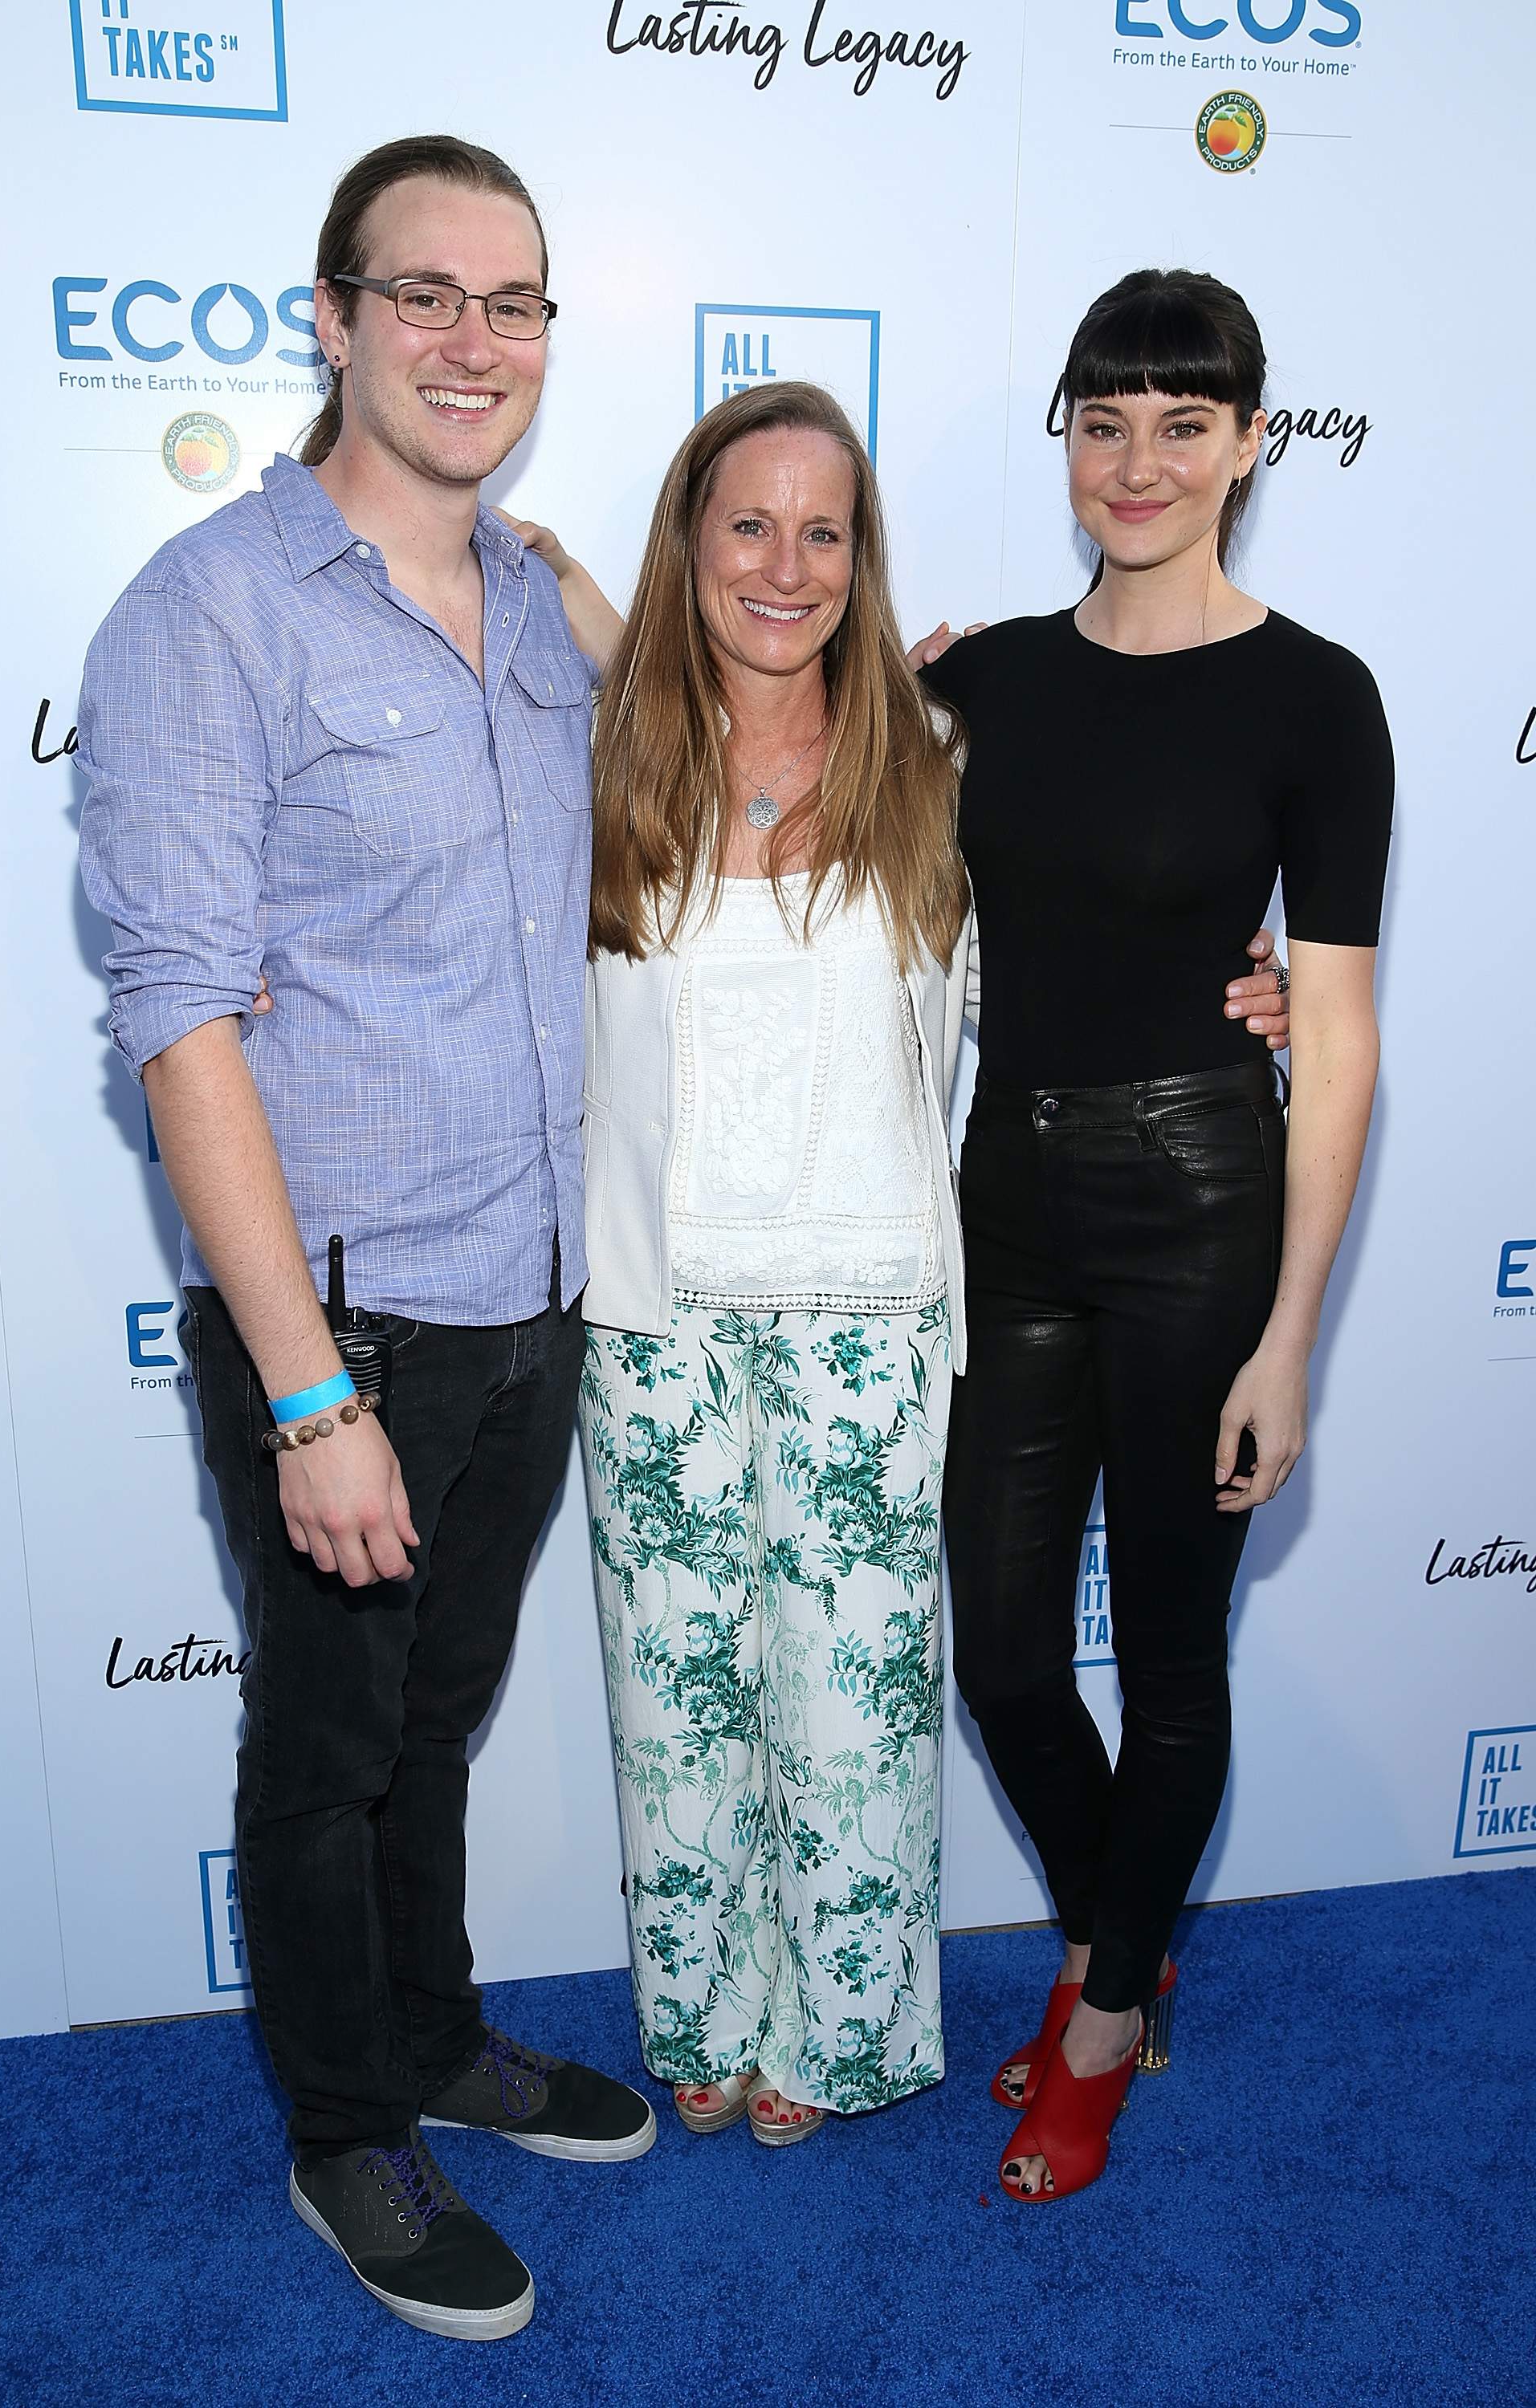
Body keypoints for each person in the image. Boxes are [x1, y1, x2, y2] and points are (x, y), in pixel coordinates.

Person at [522, 379, 1290, 2146]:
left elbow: (1119, 892)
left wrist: (1255, 985)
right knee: (677, 1703)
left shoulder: (945, 754)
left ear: (861, 562)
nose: (784, 564)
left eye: (824, 529)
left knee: (857, 1713)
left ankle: (843, 2031)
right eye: (747, 523)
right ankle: (702, 2011)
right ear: (688, 544)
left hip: (873, 1305)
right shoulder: (593, 755)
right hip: (653, 1306)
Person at [77, 135, 652, 2345]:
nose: (470, 341)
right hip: (351, 1328)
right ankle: (346, 2133)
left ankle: (432, 2035)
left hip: (534, 1301)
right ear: (330, 314)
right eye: (425, 295)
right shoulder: (206, 614)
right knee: (323, 1760)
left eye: (511, 305)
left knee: (443, 1722)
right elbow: (179, 1026)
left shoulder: (537, 603)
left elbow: (754, 776)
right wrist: (307, 1388)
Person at [921, 268, 1392, 2203]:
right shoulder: (981, 680)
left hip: (1202, 1200)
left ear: (1248, 443)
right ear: (1065, 440)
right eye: (1103, 419)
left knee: (1174, 1658)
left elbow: (1343, 1039)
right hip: (1002, 1203)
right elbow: (745, 745)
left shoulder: (1314, 696)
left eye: (1181, 422)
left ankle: (1103, 2014)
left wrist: (1293, 1338)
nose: (1138, 460)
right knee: (1010, 1659)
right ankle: (1136, 1930)